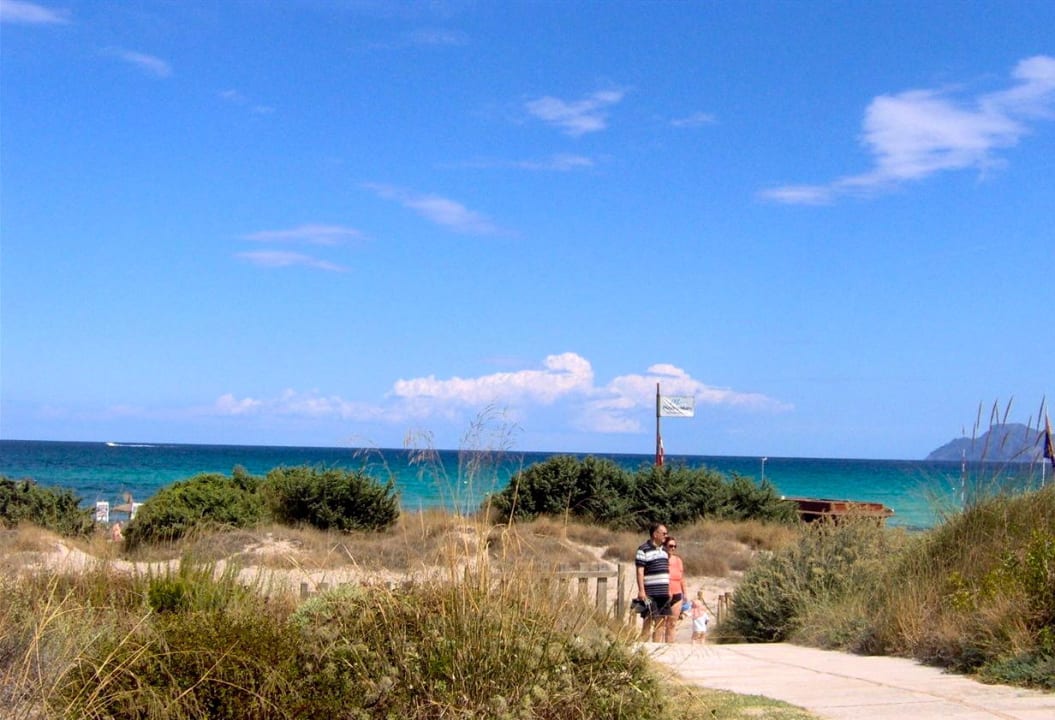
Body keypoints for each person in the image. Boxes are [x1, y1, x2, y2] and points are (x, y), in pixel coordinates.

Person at [635, 523, 672, 642]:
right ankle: (641, 648)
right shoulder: (643, 549)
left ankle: (657, 646)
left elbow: (666, 572)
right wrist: (642, 591)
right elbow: (640, 571)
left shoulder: (665, 551)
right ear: (655, 534)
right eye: (664, 533)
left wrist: (669, 589)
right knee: (648, 620)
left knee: (661, 622)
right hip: (650, 592)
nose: (666, 536)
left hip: (663, 592)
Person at [664, 536, 684, 643]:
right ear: (664, 546)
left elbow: (681, 578)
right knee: (661, 624)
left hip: (677, 594)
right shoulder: (661, 560)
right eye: (670, 546)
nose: (673, 548)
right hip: (663, 594)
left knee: (672, 623)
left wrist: (685, 594)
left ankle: (670, 646)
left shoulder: (678, 560)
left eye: (674, 546)